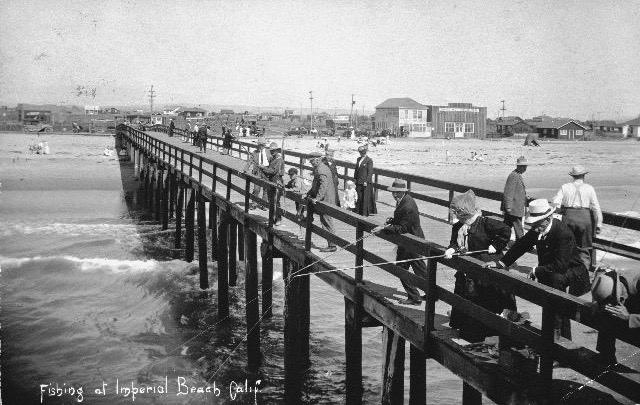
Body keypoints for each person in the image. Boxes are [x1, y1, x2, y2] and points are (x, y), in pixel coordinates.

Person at [487, 199, 591, 339]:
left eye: (537, 223)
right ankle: (549, 336)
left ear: (548, 219)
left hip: (571, 271)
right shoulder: (539, 228)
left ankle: (563, 340)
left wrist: (537, 270)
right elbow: (521, 245)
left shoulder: (563, 234)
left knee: (559, 304)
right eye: (533, 224)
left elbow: (560, 266)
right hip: (552, 269)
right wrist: (501, 263)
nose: (534, 228)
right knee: (549, 303)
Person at [444, 190, 516, 342]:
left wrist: (496, 246)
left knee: (486, 301)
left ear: (466, 213)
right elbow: (454, 242)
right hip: (468, 269)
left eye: (458, 214)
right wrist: (452, 248)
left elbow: (506, 230)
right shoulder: (458, 227)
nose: (456, 216)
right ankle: (469, 332)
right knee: (468, 299)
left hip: (487, 269)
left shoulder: (485, 222)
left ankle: (488, 332)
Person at [372, 179, 427, 305]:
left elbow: (402, 228)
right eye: (393, 192)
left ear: (403, 192)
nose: (394, 195)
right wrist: (390, 222)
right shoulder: (404, 200)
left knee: (401, 268)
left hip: (412, 242)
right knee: (420, 269)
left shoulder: (408, 206)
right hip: (410, 241)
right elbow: (400, 221)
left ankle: (415, 297)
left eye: (397, 192)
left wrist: (384, 228)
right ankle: (431, 294)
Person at [552, 165, 603, 271]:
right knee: (584, 249)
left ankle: (566, 270)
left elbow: (556, 202)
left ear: (573, 176)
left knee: (567, 245)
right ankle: (583, 273)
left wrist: (557, 211)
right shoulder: (589, 188)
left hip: (568, 218)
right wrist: (599, 223)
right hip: (585, 219)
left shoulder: (565, 187)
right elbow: (596, 207)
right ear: (584, 175)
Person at [590, 266, 640, 366]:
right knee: (609, 313)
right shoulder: (609, 277)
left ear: (621, 297)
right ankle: (606, 357)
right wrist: (597, 303)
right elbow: (600, 287)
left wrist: (630, 318)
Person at [306, 152, 338, 252]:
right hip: (324, 199)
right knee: (325, 221)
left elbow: (323, 187)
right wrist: (308, 193)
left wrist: (317, 198)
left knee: (327, 222)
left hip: (326, 200)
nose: (310, 162)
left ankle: (332, 245)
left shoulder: (321, 170)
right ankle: (331, 244)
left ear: (317, 159)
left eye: (311, 161)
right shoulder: (318, 168)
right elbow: (315, 185)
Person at [501, 156, 529, 240]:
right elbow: (508, 192)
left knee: (506, 227)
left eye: (526, 166)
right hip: (514, 209)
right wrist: (508, 207)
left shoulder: (516, 175)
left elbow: (515, 191)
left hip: (514, 208)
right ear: (519, 166)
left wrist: (524, 197)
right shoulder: (514, 176)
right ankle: (521, 245)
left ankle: (500, 242)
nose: (525, 168)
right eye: (524, 166)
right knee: (518, 228)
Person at [258, 142, 285, 226]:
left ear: (277, 150)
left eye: (273, 150)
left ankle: (278, 218)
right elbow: (270, 170)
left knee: (276, 201)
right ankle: (272, 218)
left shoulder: (278, 159)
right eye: (271, 150)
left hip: (277, 181)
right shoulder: (273, 158)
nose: (272, 152)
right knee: (271, 200)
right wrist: (263, 169)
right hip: (271, 180)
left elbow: (273, 171)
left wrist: (263, 168)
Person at [245, 139, 269, 210]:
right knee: (256, 189)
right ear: (258, 145)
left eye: (262, 145)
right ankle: (254, 203)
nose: (261, 146)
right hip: (257, 172)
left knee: (266, 189)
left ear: (264, 145)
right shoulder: (254, 152)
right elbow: (250, 161)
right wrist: (245, 168)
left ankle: (264, 205)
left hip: (266, 171)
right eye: (259, 145)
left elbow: (273, 161)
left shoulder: (268, 152)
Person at [354, 144, 376, 216]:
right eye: (360, 152)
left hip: (366, 182)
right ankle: (358, 211)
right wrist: (355, 178)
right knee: (358, 196)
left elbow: (370, 172)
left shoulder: (369, 160)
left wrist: (366, 181)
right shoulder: (358, 159)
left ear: (365, 152)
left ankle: (365, 212)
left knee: (365, 197)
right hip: (358, 181)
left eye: (363, 152)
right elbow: (356, 170)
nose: (362, 153)